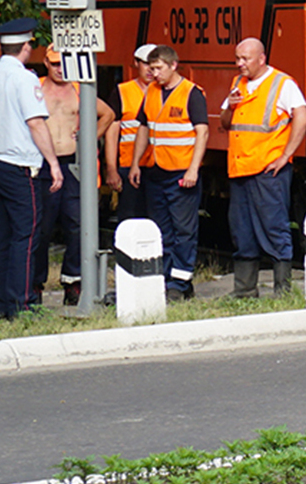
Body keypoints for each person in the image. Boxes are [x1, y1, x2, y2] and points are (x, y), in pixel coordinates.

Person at [0, 19, 62, 320]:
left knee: (0, 235)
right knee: (26, 235)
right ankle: (22, 304)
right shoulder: (25, 80)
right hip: (20, 167)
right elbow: (35, 123)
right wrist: (53, 163)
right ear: (26, 46)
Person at [220, 38, 306, 297]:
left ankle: (283, 290)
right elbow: (226, 122)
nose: (240, 64)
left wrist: (286, 156)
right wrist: (230, 105)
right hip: (240, 169)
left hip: (267, 171)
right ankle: (245, 290)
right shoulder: (238, 84)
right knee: (242, 231)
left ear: (261, 58)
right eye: (237, 58)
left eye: (245, 59)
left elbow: (302, 117)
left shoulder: (283, 84)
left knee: (274, 228)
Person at [35, 48, 117, 306]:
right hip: (43, 164)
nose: (60, 69)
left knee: (77, 225)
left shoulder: (80, 89)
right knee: (41, 227)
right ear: (46, 62)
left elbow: (108, 114)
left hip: (73, 164)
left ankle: (73, 282)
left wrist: (88, 138)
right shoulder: (35, 88)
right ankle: (35, 284)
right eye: (56, 64)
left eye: (64, 64)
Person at [128, 45, 207, 300]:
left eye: (159, 68)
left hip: (181, 172)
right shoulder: (152, 91)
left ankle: (180, 284)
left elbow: (202, 132)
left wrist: (194, 168)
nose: (154, 74)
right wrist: (136, 163)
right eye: (151, 69)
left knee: (183, 230)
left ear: (174, 65)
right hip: (156, 171)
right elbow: (144, 128)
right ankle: (166, 278)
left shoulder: (191, 93)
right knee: (162, 230)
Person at [104, 44, 158, 224]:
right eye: (145, 63)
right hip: (129, 167)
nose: (150, 69)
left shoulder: (165, 93)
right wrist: (111, 169)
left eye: (155, 64)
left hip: (158, 167)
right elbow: (112, 133)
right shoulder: (122, 92)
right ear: (136, 63)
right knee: (131, 220)